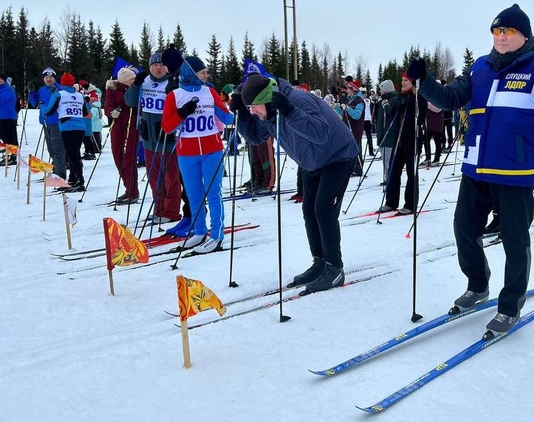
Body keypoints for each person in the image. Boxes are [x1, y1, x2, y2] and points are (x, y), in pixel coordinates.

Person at [407, 3, 534, 335]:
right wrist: (423, 80)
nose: (501, 37)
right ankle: (477, 284)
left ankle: (510, 304)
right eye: (496, 31)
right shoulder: (480, 68)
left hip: (514, 170)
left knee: (515, 240)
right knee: (464, 229)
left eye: (508, 31)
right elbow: (450, 98)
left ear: (523, 35)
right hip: (475, 167)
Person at [230, 73, 360, 293]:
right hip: (311, 162)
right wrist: (242, 115)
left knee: (323, 210)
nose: (253, 110)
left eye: (254, 106)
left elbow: (321, 134)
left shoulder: (298, 100)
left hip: (337, 156)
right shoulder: (270, 111)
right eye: (249, 107)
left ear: (266, 97)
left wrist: (290, 111)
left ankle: (334, 267)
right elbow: (255, 137)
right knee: (309, 211)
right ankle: (320, 262)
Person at [162, 56, 233, 254]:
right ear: (191, 73)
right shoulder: (174, 96)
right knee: (194, 194)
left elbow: (225, 117)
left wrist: (236, 111)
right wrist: (181, 113)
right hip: (187, 152)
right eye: (202, 72)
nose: (206, 75)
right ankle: (199, 231)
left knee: (214, 192)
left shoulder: (209, 92)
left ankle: (217, 235)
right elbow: (167, 127)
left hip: (212, 150)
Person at [125, 51, 189, 225]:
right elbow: (130, 101)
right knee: (154, 177)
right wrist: (135, 85)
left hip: (166, 135)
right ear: (149, 66)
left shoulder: (172, 82)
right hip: (148, 137)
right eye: (155, 64)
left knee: (171, 177)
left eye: (161, 64)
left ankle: (171, 211)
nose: (159, 67)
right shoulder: (144, 81)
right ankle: (159, 209)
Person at [382, 72, 426, 214]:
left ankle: (410, 204)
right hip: (399, 139)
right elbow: (394, 110)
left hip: (412, 140)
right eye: (402, 80)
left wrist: (412, 102)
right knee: (394, 170)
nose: (403, 83)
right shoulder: (401, 96)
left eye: (406, 80)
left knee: (411, 173)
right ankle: (391, 201)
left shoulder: (419, 97)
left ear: (413, 82)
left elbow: (421, 118)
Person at [44, 73, 90, 192]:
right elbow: (85, 112)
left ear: (62, 83)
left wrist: (42, 107)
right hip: (80, 127)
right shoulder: (80, 95)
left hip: (67, 128)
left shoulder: (59, 94)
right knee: (74, 153)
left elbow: (49, 110)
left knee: (72, 155)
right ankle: (73, 178)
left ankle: (80, 181)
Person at [104, 68, 140, 202]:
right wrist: (111, 112)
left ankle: (132, 191)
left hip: (132, 125)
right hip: (118, 126)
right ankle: (128, 188)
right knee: (118, 157)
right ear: (125, 80)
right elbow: (107, 105)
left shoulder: (136, 89)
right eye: (132, 79)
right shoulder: (112, 89)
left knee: (129, 159)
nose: (134, 81)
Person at [28, 68, 67, 179]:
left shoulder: (59, 89)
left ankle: (61, 174)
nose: (48, 79)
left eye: (51, 77)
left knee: (57, 149)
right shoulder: (42, 90)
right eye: (46, 77)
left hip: (56, 122)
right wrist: (32, 92)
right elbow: (35, 103)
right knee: (50, 149)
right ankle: (56, 170)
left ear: (54, 78)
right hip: (46, 122)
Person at [0, 73, 19, 166]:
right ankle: (9, 152)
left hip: (8, 117)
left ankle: (14, 155)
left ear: (4, 80)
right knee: (1, 135)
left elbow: (2, 100)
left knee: (10, 137)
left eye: (0, 79)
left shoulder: (8, 90)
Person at [374, 79, 398, 185]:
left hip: (389, 135)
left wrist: (387, 107)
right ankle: (387, 177)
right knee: (384, 159)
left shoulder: (393, 100)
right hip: (382, 134)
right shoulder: (381, 101)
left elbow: (394, 115)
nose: (380, 92)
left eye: (382, 89)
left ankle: (390, 178)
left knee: (387, 159)